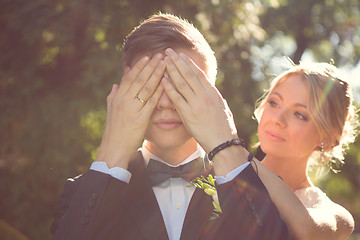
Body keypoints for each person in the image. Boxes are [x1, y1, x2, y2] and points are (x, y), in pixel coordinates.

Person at [51, 13, 291, 240]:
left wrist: (225, 144)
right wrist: (113, 147)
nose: (166, 103)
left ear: (212, 95)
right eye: (152, 83)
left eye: (182, 83)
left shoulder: (264, 191)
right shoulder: (83, 192)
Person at [250, 62, 358, 239]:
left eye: (299, 114)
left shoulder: (331, 215)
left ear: (326, 136)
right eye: (274, 103)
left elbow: (305, 229)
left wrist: (233, 157)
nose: (277, 119)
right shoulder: (215, 172)